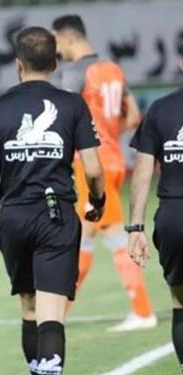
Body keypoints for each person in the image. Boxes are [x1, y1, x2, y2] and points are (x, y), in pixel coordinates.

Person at [0, 27, 105, 375]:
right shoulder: (71, 104)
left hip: (13, 216)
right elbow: (93, 168)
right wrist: (98, 200)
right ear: (55, 62)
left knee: (29, 308)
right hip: (55, 215)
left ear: (18, 64)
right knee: (52, 313)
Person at [52, 15, 156, 332]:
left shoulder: (73, 73)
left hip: (90, 165)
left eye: (57, 41)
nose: (56, 49)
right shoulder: (112, 69)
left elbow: (63, 119)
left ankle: (142, 311)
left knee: (110, 236)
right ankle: (58, 314)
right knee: (82, 238)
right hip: (113, 160)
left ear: (68, 38)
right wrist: (107, 134)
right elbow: (133, 116)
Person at [128, 52, 183, 375]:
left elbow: (143, 171)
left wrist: (135, 227)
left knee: (180, 302)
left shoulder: (160, 110)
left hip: (174, 217)